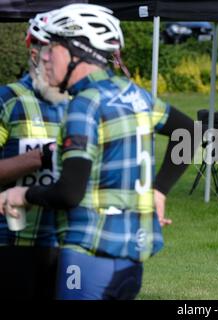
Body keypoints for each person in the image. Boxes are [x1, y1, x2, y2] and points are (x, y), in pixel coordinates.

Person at [0, 3, 197, 300]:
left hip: (86, 249)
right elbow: (189, 132)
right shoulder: (132, 93)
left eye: (51, 48)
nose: (44, 56)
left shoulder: (85, 102)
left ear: (75, 51)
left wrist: (20, 195)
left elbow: (68, 193)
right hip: (125, 256)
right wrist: (159, 190)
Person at [0, 10, 68, 299]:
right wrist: (42, 156)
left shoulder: (83, 102)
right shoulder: (9, 99)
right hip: (14, 243)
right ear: (33, 52)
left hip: (69, 243)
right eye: (47, 52)